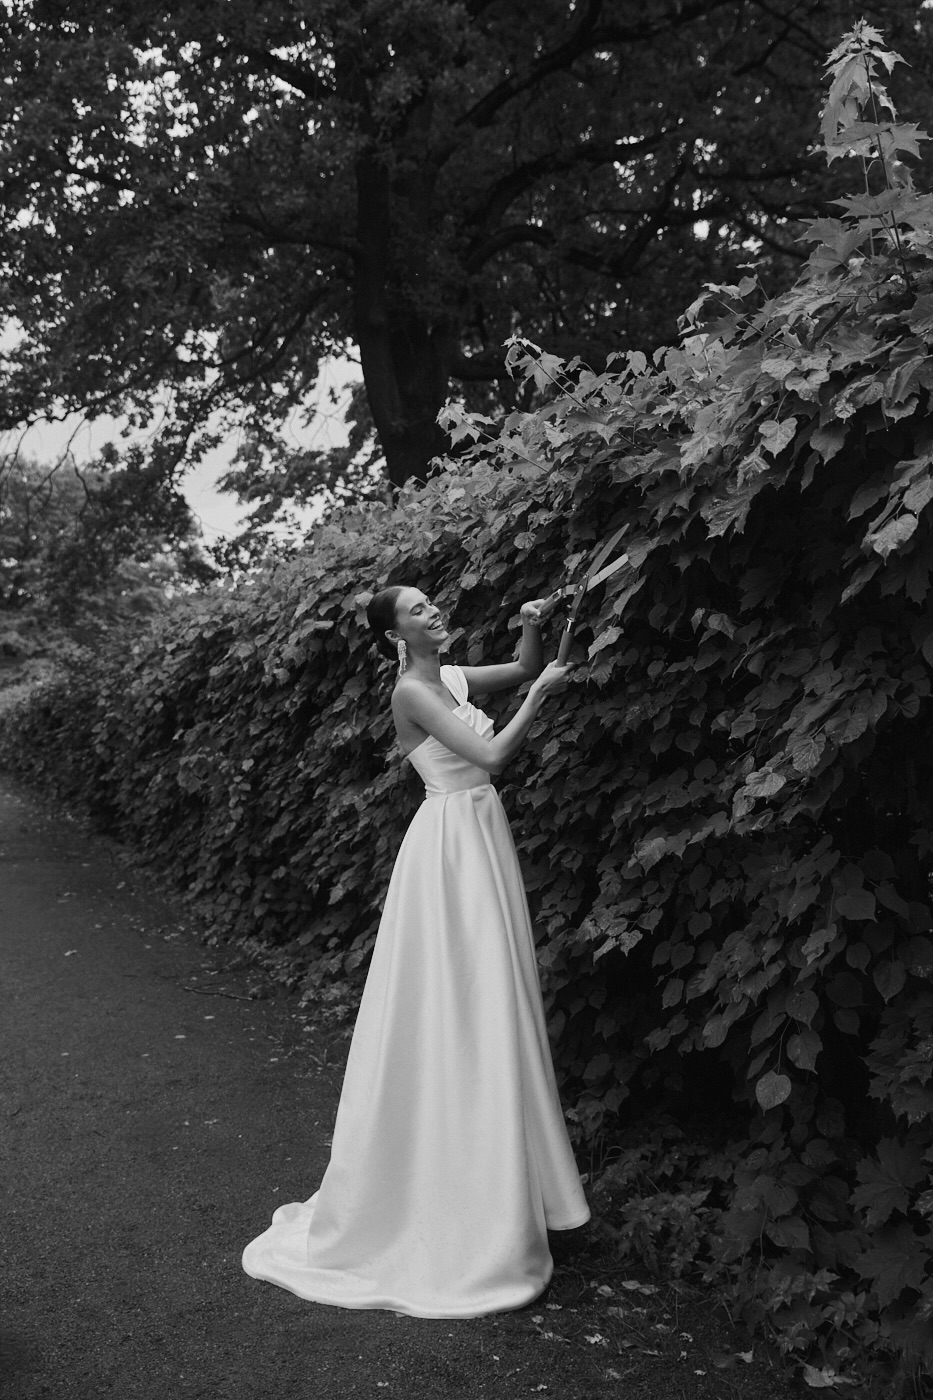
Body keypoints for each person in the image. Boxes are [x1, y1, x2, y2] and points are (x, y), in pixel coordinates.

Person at [241, 585, 590, 1317]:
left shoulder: (451, 676)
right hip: (450, 849)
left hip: (480, 835)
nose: (434, 613)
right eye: (418, 611)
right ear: (395, 636)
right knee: (460, 995)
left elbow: (523, 668)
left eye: (432, 605)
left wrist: (530, 627)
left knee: (493, 992)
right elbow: (493, 754)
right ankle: (452, 1193)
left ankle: (501, 1180)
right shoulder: (411, 692)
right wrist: (544, 696)